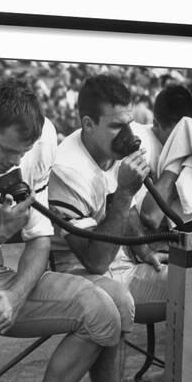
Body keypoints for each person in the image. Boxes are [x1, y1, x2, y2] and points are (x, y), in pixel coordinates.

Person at [0, 77, 147, 382]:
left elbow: (39, 239)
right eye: (8, 150)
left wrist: (17, 295)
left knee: (103, 311)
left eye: (21, 153)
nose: (14, 162)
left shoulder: (41, 142)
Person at [48, 74, 168, 324]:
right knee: (115, 303)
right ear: (89, 124)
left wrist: (145, 251)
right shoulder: (66, 169)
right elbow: (96, 262)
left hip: (125, 266)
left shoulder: (112, 150)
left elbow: (130, 211)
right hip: (81, 275)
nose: (127, 133)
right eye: (116, 126)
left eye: (129, 123)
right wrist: (125, 191)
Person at [137, 85, 192, 231]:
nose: (186, 145)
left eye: (187, 138)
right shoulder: (141, 142)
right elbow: (151, 216)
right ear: (156, 124)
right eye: (178, 138)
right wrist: (177, 160)